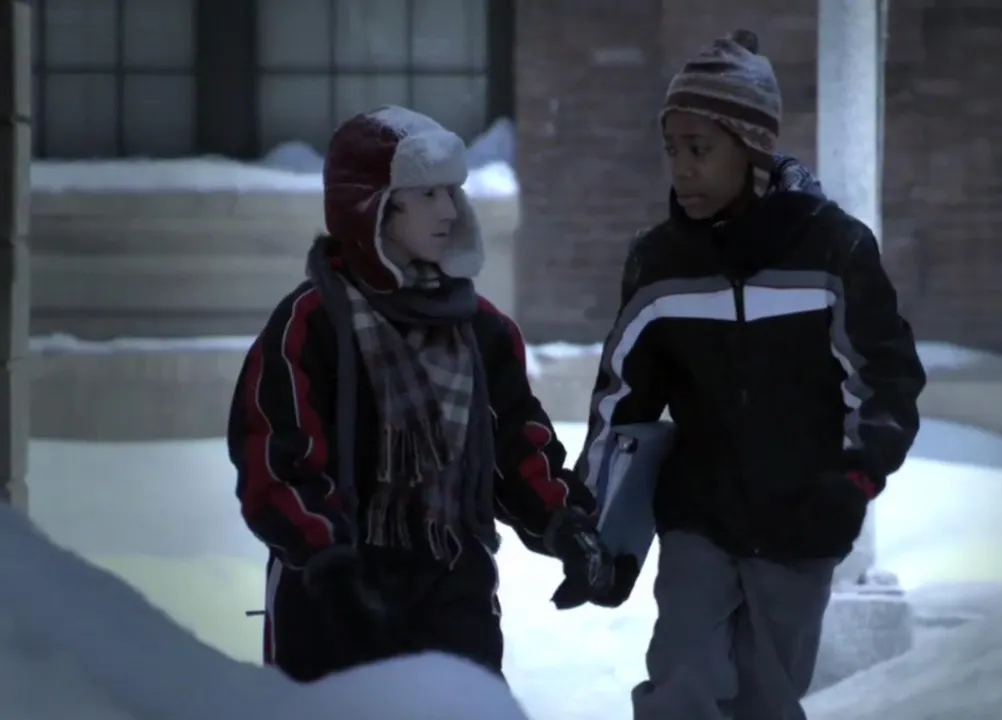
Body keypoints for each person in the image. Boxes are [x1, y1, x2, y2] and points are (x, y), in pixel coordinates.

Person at [577, 30, 927, 719]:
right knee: (681, 681)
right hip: (698, 517)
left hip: (803, 519)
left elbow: (886, 380)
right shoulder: (661, 264)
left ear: (754, 149)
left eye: (700, 149)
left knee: (766, 696)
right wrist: (596, 528)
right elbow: (621, 402)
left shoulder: (833, 250)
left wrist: (853, 481)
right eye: (672, 149)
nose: (683, 170)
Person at [227, 105, 622, 683]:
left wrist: (565, 523)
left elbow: (517, 446)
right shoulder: (311, 325)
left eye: (452, 192)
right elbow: (277, 462)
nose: (450, 210)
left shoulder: (483, 330)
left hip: (454, 590)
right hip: (334, 595)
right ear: (372, 208)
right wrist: (328, 562)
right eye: (427, 194)